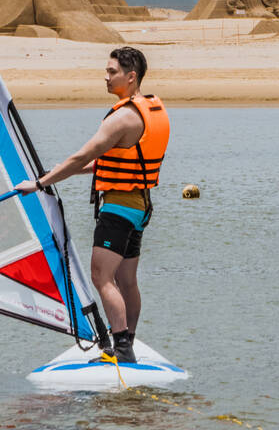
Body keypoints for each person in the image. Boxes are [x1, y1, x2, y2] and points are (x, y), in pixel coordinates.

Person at [15, 46, 169, 363]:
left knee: (102, 277)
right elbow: (105, 162)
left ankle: (122, 349)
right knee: (126, 281)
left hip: (118, 209)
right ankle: (128, 341)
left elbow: (82, 157)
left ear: (131, 76)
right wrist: (58, 174)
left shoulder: (122, 118)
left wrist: (40, 183)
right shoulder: (148, 111)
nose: (106, 76)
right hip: (140, 208)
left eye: (112, 72)